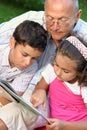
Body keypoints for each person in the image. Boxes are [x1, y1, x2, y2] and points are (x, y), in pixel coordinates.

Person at [0, 0, 87, 130]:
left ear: (77, 16)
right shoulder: (30, 21)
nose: (55, 26)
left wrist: (41, 90)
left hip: (46, 98)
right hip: (15, 85)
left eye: (62, 20)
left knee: (10, 118)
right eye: (50, 18)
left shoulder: (84, 36)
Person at [31, 36, 87, 130]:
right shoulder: (51, 70)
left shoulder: (83, 87)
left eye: (66, 71)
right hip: (52, 125)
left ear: (80, 71)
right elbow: (40, 88)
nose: (58, 72)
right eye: (56, 64)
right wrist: (40, 91)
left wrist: (64, 126)